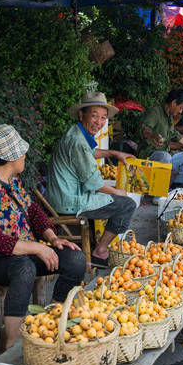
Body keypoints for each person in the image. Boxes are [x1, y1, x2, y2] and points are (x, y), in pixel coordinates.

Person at [0, 124, 86, 349]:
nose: (25, 155)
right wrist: (38, 248)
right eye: (22, 152)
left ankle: (53, 320)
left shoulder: (13, 181)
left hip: (24, 254)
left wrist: (53, 239)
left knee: (75, 259)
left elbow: (33, 212)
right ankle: (12, 343)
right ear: (10, 158)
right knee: (23, 268)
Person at [45, 91, 137, 265]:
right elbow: (94, 184)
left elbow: (90, 152)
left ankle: (98, 245)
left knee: (114, 199)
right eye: (94, 116)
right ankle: (99, 252)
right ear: (81, 114)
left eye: (103, 118)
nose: (99, 122)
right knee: (127, 205)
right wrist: (119, 192)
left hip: (64, 195)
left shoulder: (77, 132)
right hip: (70, 201)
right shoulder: (78, 141)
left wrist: (114, 153)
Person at [139, 89, 183, 190]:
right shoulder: (155, 112)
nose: (180, 112)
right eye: (180, 108)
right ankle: (158, 194)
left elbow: (174, 134)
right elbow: (144, 129)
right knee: (165, 157)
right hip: (150, 157)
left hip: (166, 155)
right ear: (173, 103)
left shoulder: (169, 117)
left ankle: (177, 187)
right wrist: (152, 135)